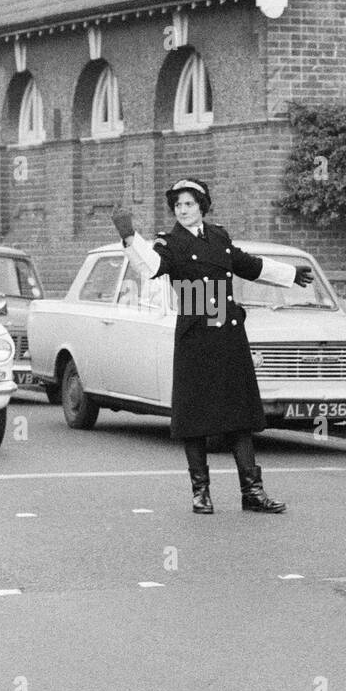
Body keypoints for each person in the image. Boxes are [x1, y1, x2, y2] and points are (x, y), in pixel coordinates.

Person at [112, 178, 314, 515]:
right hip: (195, 336)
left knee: (240, 416)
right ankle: (201, 493)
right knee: (195, 418)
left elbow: (247, 264)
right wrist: (130, 238)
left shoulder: (219, 235)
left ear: (202, 206)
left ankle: (252, 492)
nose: (183, 210)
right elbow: (151, 267)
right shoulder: (170, 242)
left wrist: (290, 274)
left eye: (189, 204)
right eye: (178, 205)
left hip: (229, 335)